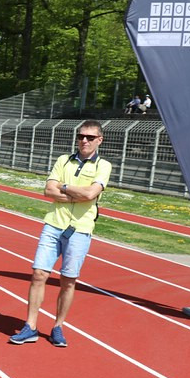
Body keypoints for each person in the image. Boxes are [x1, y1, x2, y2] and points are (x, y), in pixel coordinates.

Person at [10, 120, 112, 348]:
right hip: (54, 224)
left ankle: (58, 327)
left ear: (99, 140)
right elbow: (48, 189)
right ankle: (30, 326)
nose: (84, 140)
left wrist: (64, 188)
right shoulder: (63, 160)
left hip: (80, 229)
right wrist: (78, 194)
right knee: (38, 274)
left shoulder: (103, 166)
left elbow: (92, 193)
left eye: (89, 137)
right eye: (80, 136)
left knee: (68, 281)